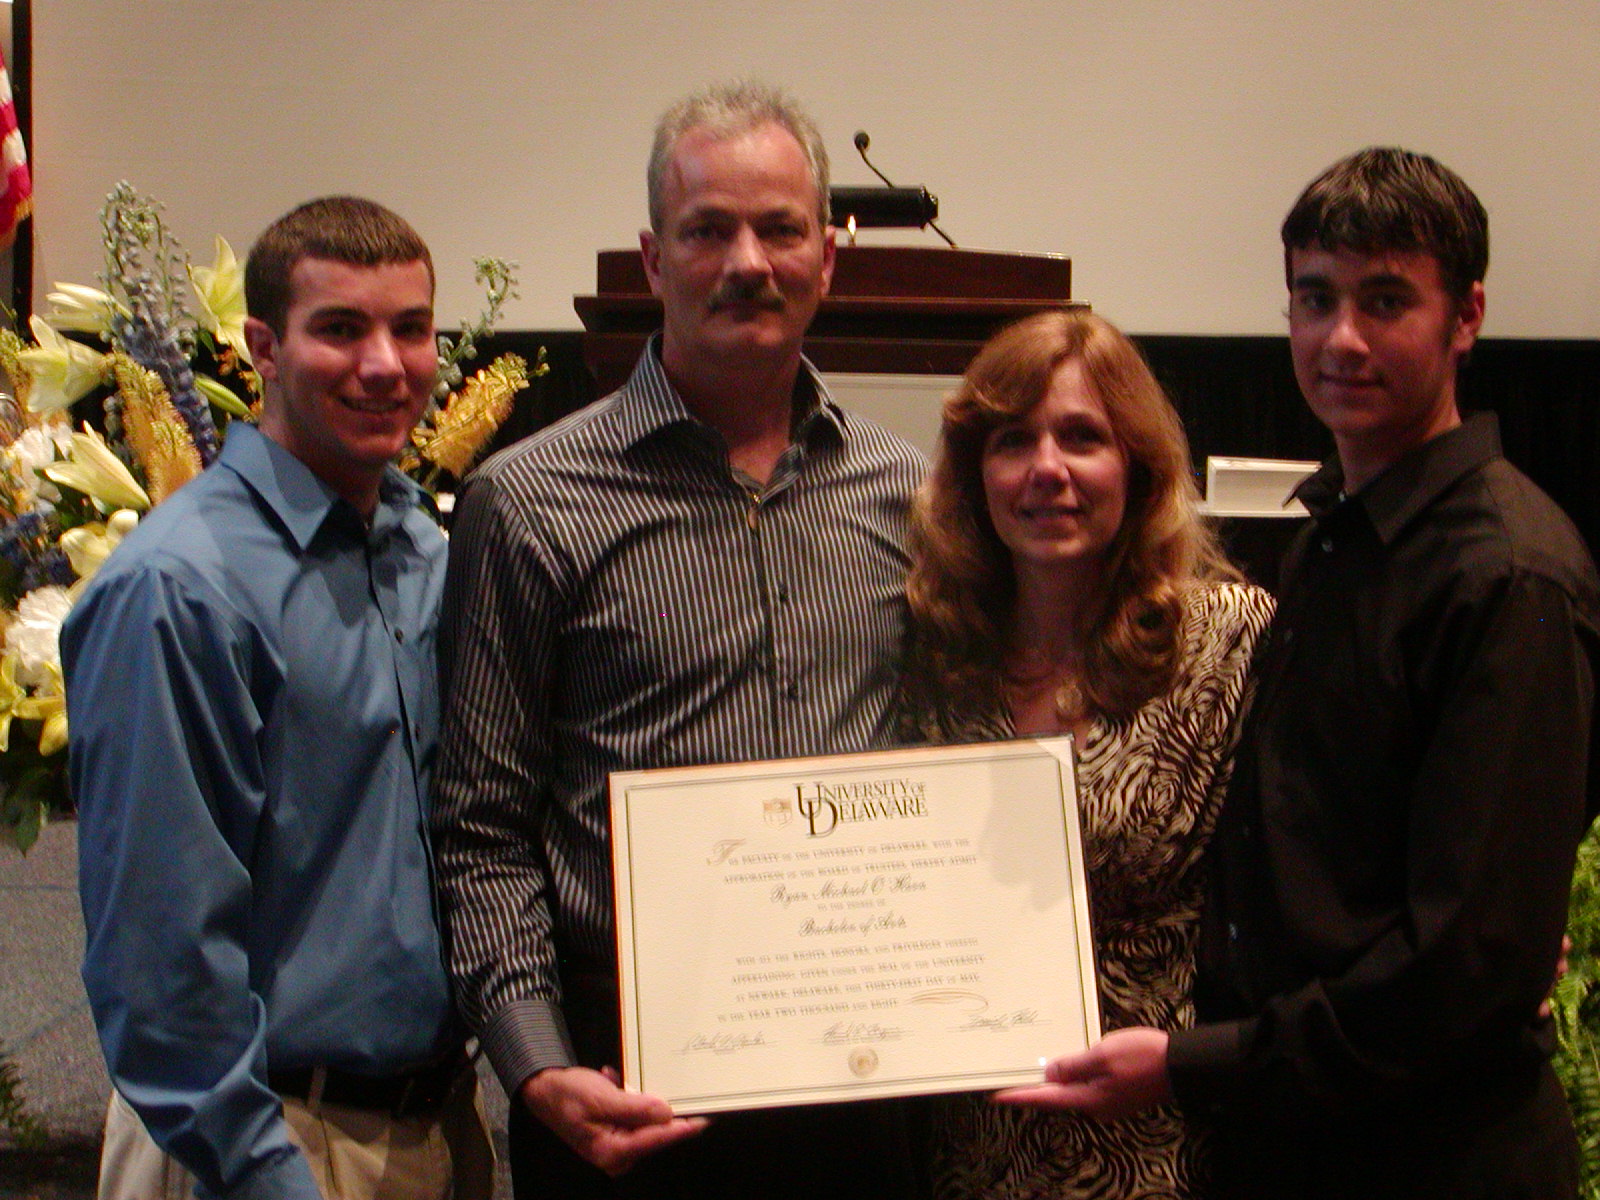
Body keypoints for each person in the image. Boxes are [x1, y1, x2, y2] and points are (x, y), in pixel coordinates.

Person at [1007, 148, 1600, 1198]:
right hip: (1305, 1143)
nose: (1342, 339)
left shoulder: (1507, 574)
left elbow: (1467, 964)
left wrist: (1192, 1064)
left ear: (1465, 317)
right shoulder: (1336, 539)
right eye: (1314, 299)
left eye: (1384, 301)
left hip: (1434, 1161)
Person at [431, 82, 927, 1199]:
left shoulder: (910, 496)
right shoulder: (531, 501)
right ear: (654, 261)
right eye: (708, 230)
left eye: (780, 228)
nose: (745, 260)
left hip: (864, 1069)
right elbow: (479, 825)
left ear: (827, 257)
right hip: (623, 1087)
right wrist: (534, 1065)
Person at [65, 197, 494, 1200]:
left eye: (411, 328)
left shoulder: (423, 554)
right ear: (261, 345)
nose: (384, 364)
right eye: (340, 329)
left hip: (427, 1129)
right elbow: (160, 965)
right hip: (252, 1147)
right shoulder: (179, 586)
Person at [900, 309, 1272, 1198]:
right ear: (974, 470)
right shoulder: (926, 656)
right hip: (966, 1142)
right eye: (1012, 441)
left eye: (1081, 438)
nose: (1046, 472)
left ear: (1138, 466)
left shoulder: (1228, 644)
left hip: (1162, 1138)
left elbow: (1332, 853)